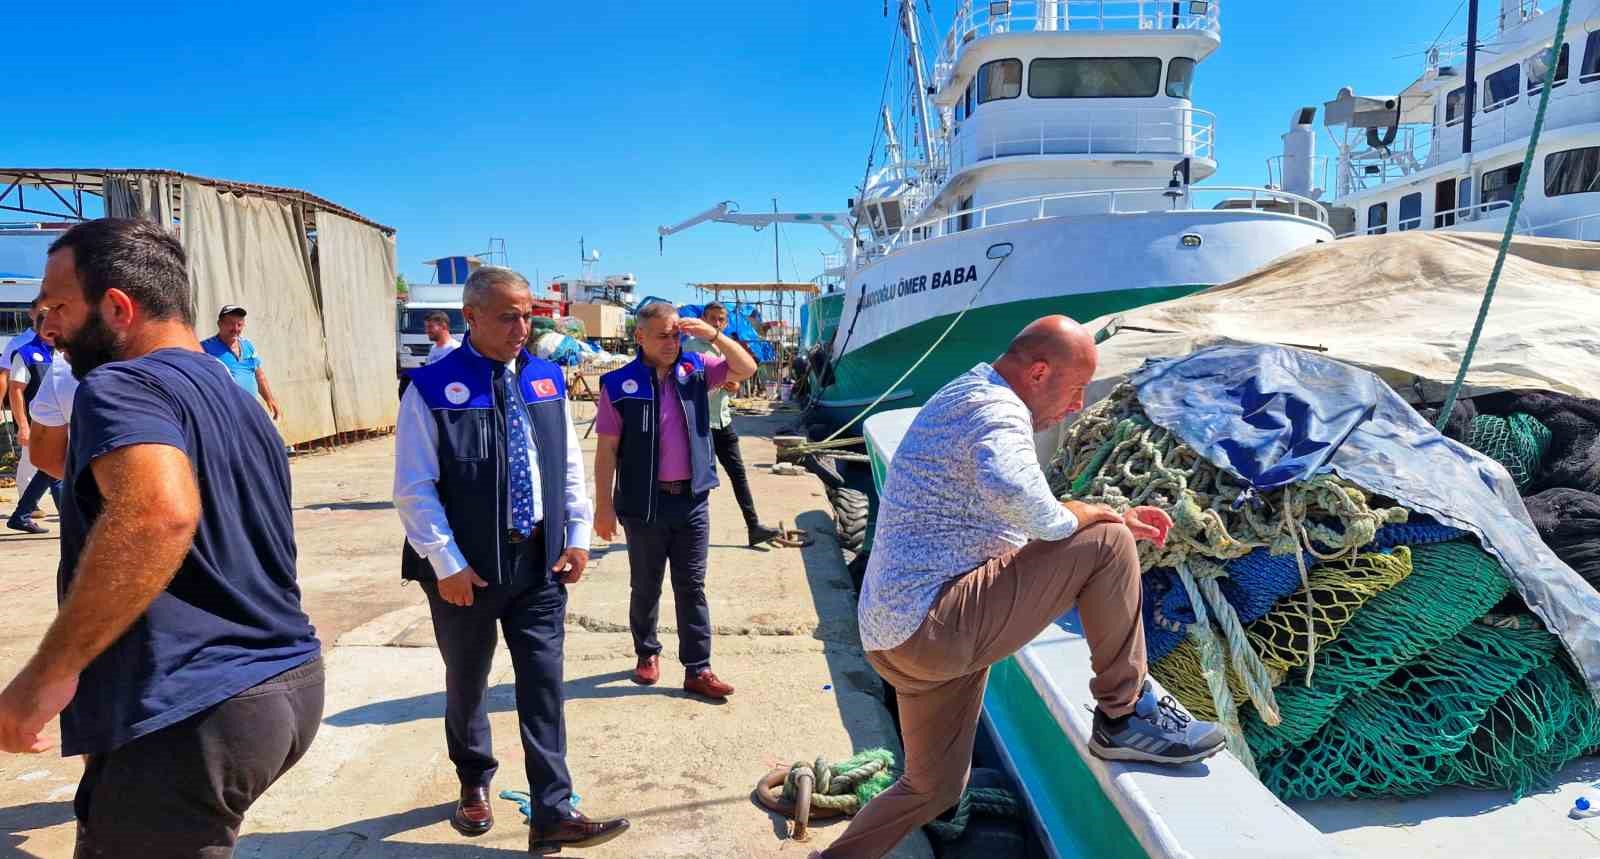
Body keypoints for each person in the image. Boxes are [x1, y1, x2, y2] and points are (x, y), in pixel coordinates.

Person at [813, 316, 1224, 859]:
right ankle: (1124, 716)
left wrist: (1098, 514)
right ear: (1037, 372)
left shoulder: (965, 390)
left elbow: (1019, 503)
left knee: (933, 787)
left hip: (893, 638)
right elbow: (1019, 492)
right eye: (1076, 389)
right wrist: (1094, 516)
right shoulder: (996, 408)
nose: (1077, 406)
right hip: (935, 623)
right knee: (1106, 543)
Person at [0, 218, 324, 857]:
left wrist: (49, 674)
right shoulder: (237, 401)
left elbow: (156, 514)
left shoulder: (120, 384)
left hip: (195, 707)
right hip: (280, 684)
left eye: (58, 306)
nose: (50, 324)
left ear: (117, 307)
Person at [394, 265, 629, 853]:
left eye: (527, 315)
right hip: (466, 573)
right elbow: (414, 486)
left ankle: (553, 809)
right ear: (470, 318)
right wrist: (445, 563)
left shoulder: (545, 380)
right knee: (467, 683)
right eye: (507, 316)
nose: (521, 326)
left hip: (539, 566)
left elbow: (566, 465)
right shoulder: (430, 387)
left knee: (545, 686)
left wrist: (577, 535)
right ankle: (474, 781)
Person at [592, 301, 757, 699]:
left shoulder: (696, 371)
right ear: (640, 337)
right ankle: (647, 653)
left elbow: (747, 369)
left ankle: (698, 668)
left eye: (676, 335)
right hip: (642, 504)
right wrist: (603, 505)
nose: (671, 343)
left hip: (691, 502)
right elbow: (606, 450)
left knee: (692, 586)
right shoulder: (618, 385)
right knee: (645, 586)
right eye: (663, 336)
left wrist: (712, 335)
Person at [683, 303, 782, 548]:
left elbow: (739, 374)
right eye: (712, 319)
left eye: (721, 320)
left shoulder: (728, 348)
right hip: (699, 425)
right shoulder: (689, 347)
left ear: (726, 324)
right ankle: (687, 534)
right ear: (703, 319)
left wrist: (733, 386)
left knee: (739, 476)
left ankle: (753, 526)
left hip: (723, 420)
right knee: (697, 481)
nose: (717, 324)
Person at [7, 312, 61, 533]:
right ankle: (69, 519)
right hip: (38, 425)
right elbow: (16, 391)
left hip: (60, 424)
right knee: (52, 470)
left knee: (50, 471)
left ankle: (21, 515)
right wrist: (22, 425)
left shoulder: (62, 353)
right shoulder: (26, 354)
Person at [201, 304, 282, 421]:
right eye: (230, 323)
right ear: (219, 324)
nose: (235, 328)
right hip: (223, 416)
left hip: (249, 413)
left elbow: (259, 376)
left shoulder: (248, 345)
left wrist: (270, 399)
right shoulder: (204, 348)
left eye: (239, 324)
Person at [24, 345, 77, 481]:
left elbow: (47, 460)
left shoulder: (65, 365)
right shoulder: (25, 352)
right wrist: (23, 425)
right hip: (45, 424)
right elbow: (15, 388)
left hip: (48, 426)